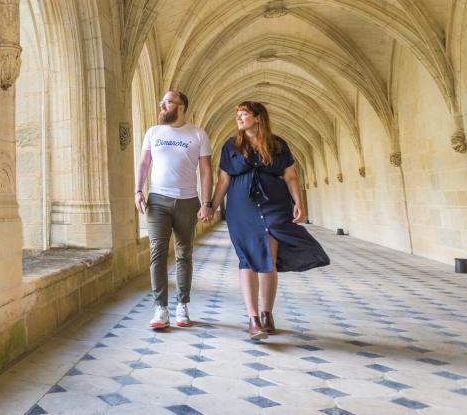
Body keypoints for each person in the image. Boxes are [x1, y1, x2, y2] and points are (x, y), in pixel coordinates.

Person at [212, 101, 330, 340]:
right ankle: (253, 317)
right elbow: (223, 180)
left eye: (244, 113)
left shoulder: (278, 144)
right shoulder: (231, 146)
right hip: (241, 208)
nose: (239, 117)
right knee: (247, 258)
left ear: (258, 117)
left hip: (275, 205)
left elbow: (290, 176)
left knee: (269, 258)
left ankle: (267, 314)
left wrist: (299, 203)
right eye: (237, 114)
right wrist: (210, 206)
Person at [134, 90, 214, 329]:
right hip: (157, 200)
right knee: (157, 252)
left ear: (180, 107)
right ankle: (160, 308)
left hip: (188, 201)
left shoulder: (198, 134)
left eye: (167, 103)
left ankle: (182, 305)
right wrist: (138, 191)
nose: (162, 106)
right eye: (162, 102)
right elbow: (144, 163)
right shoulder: (153, 132)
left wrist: (207, 203)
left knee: (184, 254)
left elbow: (207, 171)